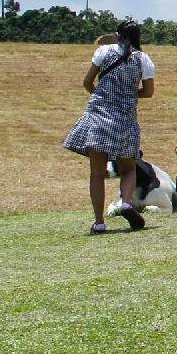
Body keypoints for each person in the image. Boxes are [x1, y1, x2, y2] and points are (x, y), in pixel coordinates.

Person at [63, 20, 155, 234]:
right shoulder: (143, 59)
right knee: (129, 168)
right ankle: (126, 203)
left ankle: (99, 222)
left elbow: (87, 82)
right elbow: (149, 92)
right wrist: (129, 94)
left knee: (97, 172)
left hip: (99, 117)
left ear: (117, 35)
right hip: (125, 119)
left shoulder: (104, 51)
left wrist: (102, 94)